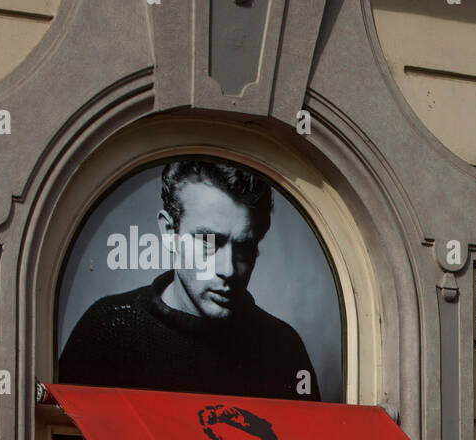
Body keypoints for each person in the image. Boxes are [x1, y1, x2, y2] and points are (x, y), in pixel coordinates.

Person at [59, 158, 319, 400]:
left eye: (244, 246)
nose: (227, 269)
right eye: (208, 241)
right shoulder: (107, 330)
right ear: (169, 231)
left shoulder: (283, 349)